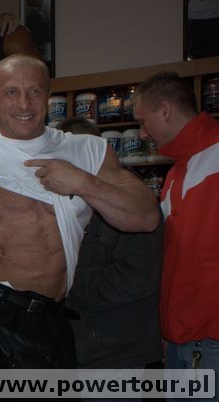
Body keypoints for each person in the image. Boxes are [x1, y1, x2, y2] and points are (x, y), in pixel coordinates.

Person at [0, 54, 159, 402]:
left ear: (47, 97)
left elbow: (146, 217)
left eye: (34, 92)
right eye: (11, 92)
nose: (23, 104)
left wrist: (83, 182)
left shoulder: (87, 151)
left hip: (50, 317)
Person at [133, 71, 219, 399]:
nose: (142, 134)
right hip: (181, 342)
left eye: (143, 122)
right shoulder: (174, 173)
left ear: (166, 110)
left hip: (210, 342)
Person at [58, 117, 163, 379]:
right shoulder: (70, 199)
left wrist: (64, 283)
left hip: (114, 353)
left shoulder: (131, 201)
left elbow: (135, 278)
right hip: (81, 347)